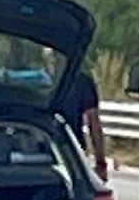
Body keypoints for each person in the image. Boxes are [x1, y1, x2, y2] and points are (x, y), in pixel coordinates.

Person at [45, 48, 109, 182]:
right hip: (71, 152)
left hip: (57, 152)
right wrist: (100, 162)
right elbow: (94, 124)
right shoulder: (82, 81)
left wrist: (100, 162)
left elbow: (94, 124)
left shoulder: (35, 83)